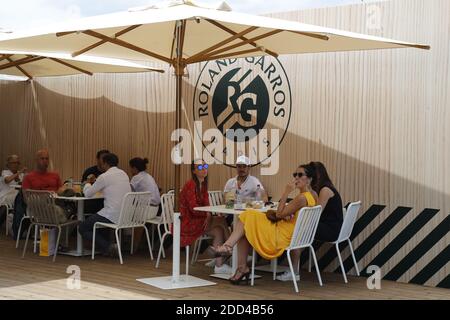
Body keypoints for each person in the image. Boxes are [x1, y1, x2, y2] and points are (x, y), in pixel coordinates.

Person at [209, 163, 318, 285]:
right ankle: (238, 263)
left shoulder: (301, 198)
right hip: (293, 232)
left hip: (282, 235)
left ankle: (230, 251)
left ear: (309, 179)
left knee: (247, 217)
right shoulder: (313, 195)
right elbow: (295, 214)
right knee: (247, 220)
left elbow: (279, 214)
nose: (296, 178)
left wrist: (286, 192)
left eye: (300, 175)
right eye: (295, 174)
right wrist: (289, 214)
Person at [180, 159, 231, 274]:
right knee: (221, 220)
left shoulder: (202, 184)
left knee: (218, 230)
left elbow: (207, 204)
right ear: (193, 171)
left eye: (205, 166)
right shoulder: (191, 185)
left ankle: (219, 263)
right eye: (199, 167)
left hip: (198, 219)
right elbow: (193, 208)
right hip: (187, 222)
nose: (203, 169)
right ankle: (231, 250)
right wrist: (207, 214)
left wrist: (208, 214)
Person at [79, 153, 131, 256]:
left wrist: (88, 183)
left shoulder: (104, 176)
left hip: (112, 214)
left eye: (102, 163)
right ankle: (106, 247)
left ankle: (108, 247)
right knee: (96, 219)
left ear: (106, 163)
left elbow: (88, 194)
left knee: (83, 227)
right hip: (126, 214)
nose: (100, 166)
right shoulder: (123, 174)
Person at [13, 149, 68, 239]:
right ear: (36, 160)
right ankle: (55, 240)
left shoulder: (55, 175)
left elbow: (60, 189)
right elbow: (26, 199)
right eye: (42, 159)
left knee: (72, 212)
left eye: (47, 159)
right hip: (38, 208)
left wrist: (63, 189)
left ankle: (55, 239)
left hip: (57, 203)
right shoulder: (28, 177)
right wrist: (45, 197)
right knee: (59, 212)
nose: (45, 161)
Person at [129, 157, 161, 250]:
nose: (130, 170)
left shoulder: (136, 177)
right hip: (155, 210)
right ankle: (135, 244)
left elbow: (128, 192)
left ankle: (133, 245)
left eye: (130, 168)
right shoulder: (148, 176)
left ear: (134, 168)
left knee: (125, 214)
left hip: (146, 210)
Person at [309, 161, 344, 242]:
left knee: (298, 228)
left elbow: (316, 214)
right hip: (333, 227)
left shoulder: (325, 190)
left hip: (331, 230)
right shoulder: (326, 187)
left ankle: (293, 253)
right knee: (299, 227)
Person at [0, 155, 26, 228]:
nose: (16, 164)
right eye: (14, 163)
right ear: (8, 164)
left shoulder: (21, 175)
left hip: (17, 197)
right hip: (6, 197)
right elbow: (7, 180)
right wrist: (19, 173)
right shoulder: (5, 172)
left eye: (17, 163)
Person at [81, 149, 109, 215]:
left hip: (106, 201)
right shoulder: (89, 171)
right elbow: (83, 186)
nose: (105, 160)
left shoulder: (110, 173)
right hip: (92, 201)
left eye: (107, 158)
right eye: (103, 158)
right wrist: (88, 182)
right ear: (97, 159)